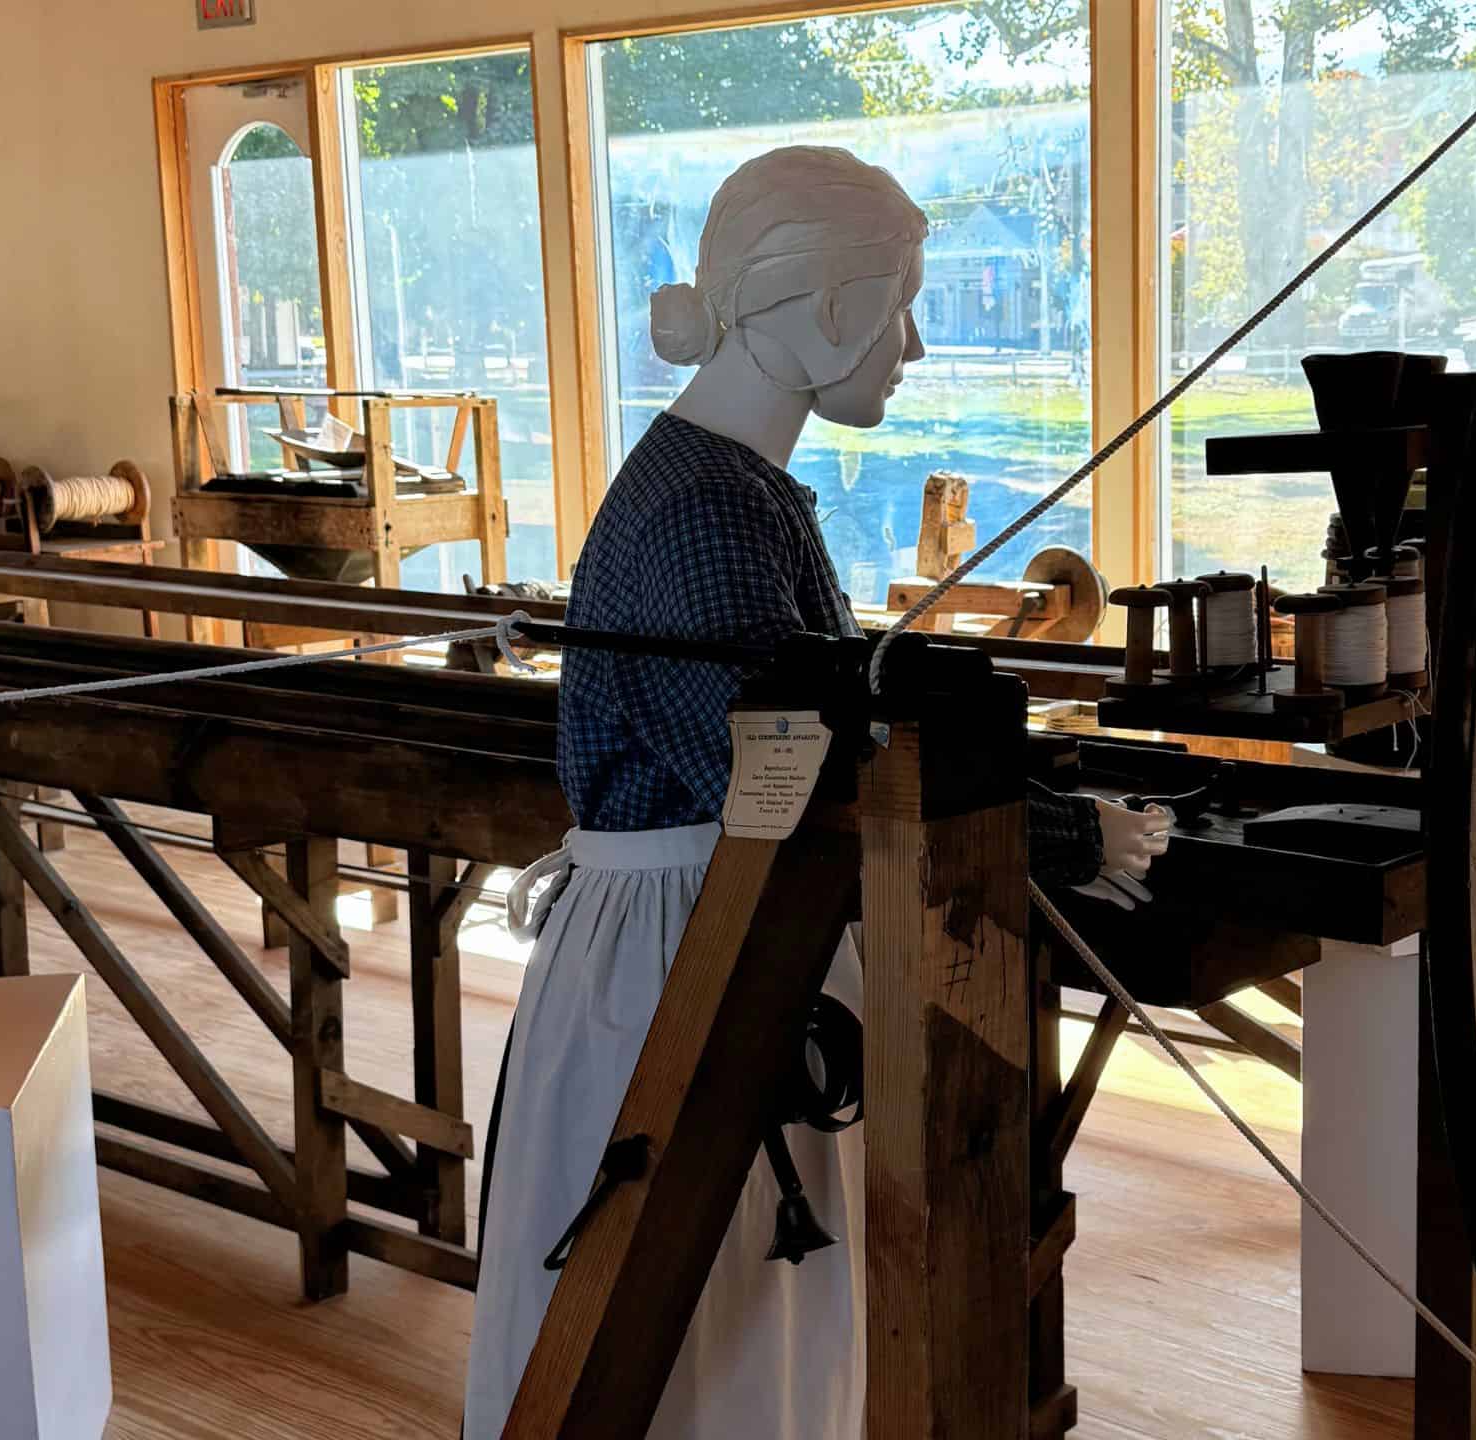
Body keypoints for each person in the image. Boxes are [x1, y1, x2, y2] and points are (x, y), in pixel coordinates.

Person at [464, 145, 1170, 1440]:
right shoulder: (706, 516)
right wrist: (1063, 833)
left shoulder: (727, 487)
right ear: (818, 304)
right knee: (703, 1344)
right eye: (894, 301)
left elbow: (814, 719)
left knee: (744, 1339)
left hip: (713, 936)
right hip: (695, 967)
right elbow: (790, 775)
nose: (907, 343)